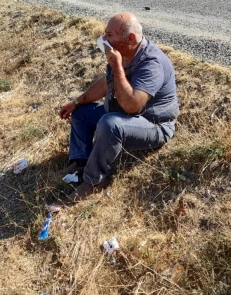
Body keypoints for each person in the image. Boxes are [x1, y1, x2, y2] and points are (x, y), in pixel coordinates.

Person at [59, 13, 179, 200]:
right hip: (125, 113)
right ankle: (81, 162)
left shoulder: (151, 63)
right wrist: (76, 102)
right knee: (81, 113)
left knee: (110, 124)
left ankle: (94, 181)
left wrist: (117, 67)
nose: (104, 39)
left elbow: (132, 106)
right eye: (105, 34)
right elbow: (106, 84)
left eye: (110, 35)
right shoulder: (124, 53)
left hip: (153, 124)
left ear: (130, 38)